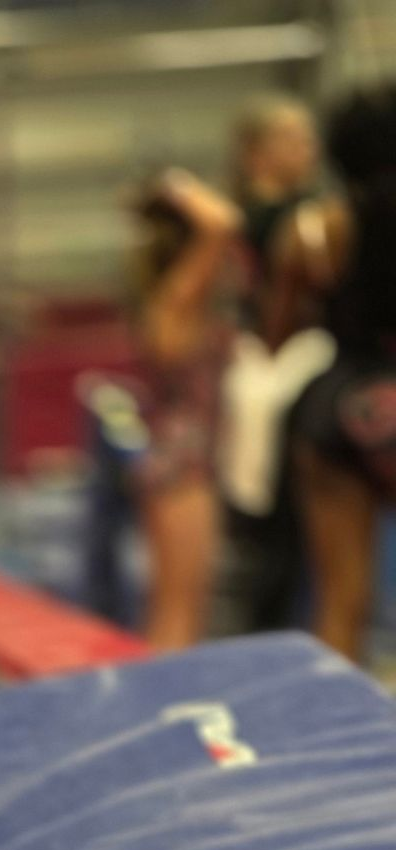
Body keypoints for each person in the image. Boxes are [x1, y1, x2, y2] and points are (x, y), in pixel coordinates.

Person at [281, 84, 396, 665]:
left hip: (339, 403)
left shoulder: (317, 228)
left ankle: (340, 747)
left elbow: (275, 333)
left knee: (341, 601)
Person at [220, 96, 333, 632]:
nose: (307, 151)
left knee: (290, 532)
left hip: (281, 372)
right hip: (272, 376)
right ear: (255, 153)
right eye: (293, 139)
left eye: (309, 139)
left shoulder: (301, 212)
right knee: (271, 529)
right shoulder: (272, 221)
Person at [128, 168, 242, 651]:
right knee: (180, 610)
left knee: (180, 605)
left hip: (180, 457)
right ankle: (166, 707)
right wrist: (174, 186)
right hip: (183, 462)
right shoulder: (177, 300)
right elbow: (222, 223)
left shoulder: (170, 302)